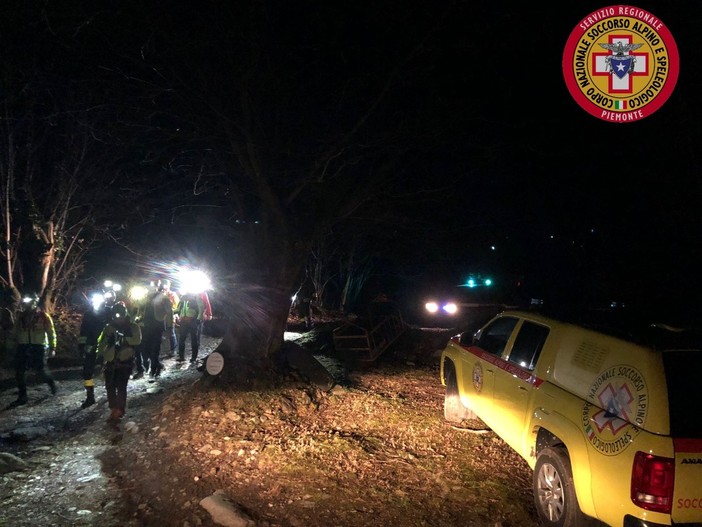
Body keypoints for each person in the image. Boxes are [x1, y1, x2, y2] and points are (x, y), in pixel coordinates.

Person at [95, 302, 142, 424]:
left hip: (125, 360)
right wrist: (99, 355)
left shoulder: (133, 327)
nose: (118, 319)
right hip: (110, 360)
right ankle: (113, 408)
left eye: (120, 316)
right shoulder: (109, 327)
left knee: (121, 386)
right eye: (116, 317)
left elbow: (137, 340)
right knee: (110, 386)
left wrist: (123, 339)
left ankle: (119, 410)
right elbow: (102, 342)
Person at [9, 293, 57, 406]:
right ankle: (22, 396)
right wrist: (10, 345)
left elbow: (51, 332)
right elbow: (15, 332)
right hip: (23, 346)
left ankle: (51, 383)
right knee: (19, 372)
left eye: (29, 303)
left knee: (40, 370)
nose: (27, 306)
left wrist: (52, 347)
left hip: (38, 346)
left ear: (34, 303)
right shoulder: (20, 317)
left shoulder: (43, 316)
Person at [78, 292, 115, 408]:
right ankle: (90, 396)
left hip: (106, 347)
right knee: (87, 372)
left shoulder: (109, 312)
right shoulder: (88, 314)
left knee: (109, 370)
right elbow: (83, 331)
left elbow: (115, 329)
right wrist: (81, 345)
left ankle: (111, 395)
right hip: (91, 346)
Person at [176, 291, 205, 365]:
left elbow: (201, 308)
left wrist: (198, 320)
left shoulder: (196, 298)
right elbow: (179, 309)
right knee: (181, 339)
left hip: (192, 321)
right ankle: (181, 357)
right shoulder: (183, 298)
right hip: (183, 321)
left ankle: (194, 358)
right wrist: (177, 315)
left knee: (194, 339)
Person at [161, 279, 180, 358]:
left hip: (169, 317)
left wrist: (174, 313)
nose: (164, 286)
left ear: (169, 285)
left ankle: (173, 350)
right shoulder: (160, 294)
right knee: (160, 333)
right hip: (161, 317)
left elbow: (177, 305)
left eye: (166, 284)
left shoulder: (172, 294)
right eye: (163, 284)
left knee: (171, 334)